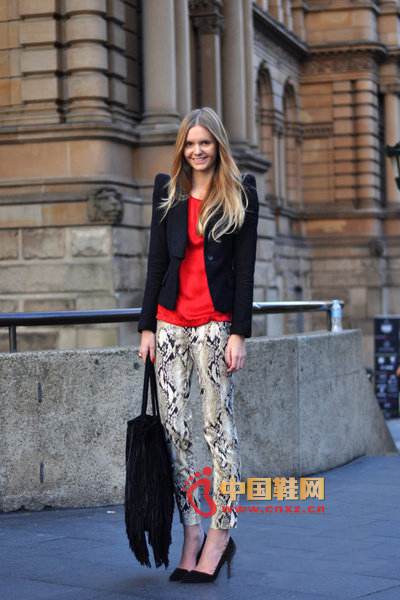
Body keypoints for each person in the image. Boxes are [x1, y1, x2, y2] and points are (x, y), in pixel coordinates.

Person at [138, 107, 258, 583]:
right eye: (190, 143)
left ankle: (221, 532)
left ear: (218, 145)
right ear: (182, 148)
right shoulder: (167, 192)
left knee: (217, 429)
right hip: (169, 325)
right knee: (175, 432)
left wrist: (239, 334)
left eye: (205, 142)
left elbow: (245, 270)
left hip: (214, 324)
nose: (197, 150)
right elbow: (154, 263)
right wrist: (146, 327)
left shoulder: (240, 192)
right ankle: (191, 529)